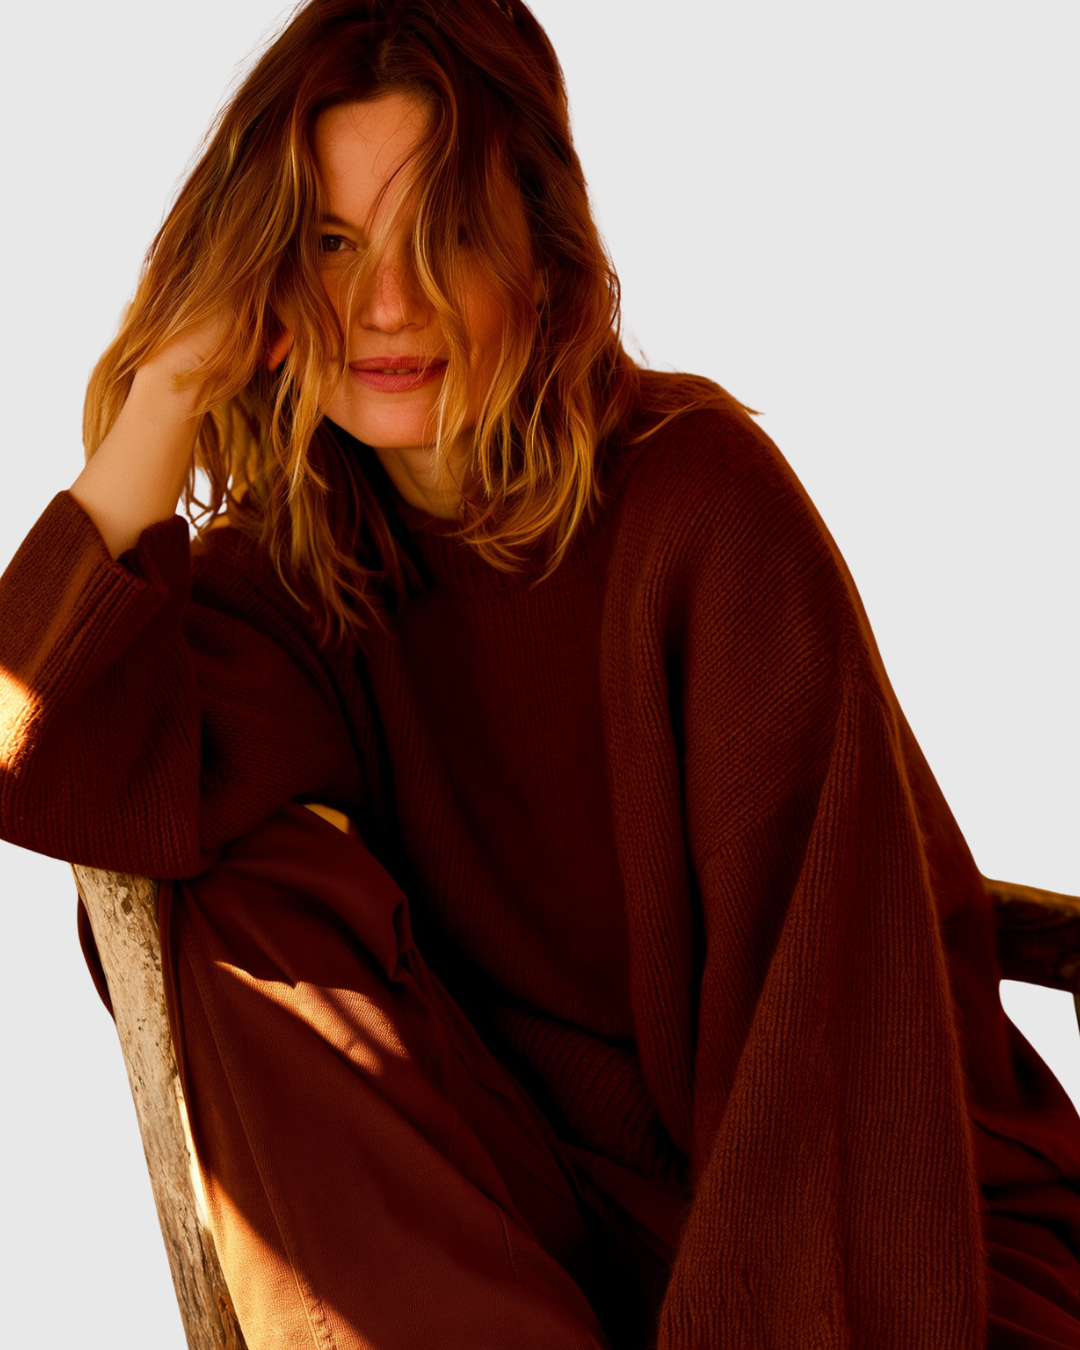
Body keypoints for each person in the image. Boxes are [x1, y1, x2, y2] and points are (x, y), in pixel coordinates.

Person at [1, 0, 1079, 1345]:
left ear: (541, 249)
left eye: (443, 233)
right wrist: (163, 400)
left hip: (884, 1247)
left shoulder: (702, 507)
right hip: (560, 1251)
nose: (386, 306)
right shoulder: (297, 574)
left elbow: (823, 1043)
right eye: (330, 244)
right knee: (234, 883)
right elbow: (43, 750)